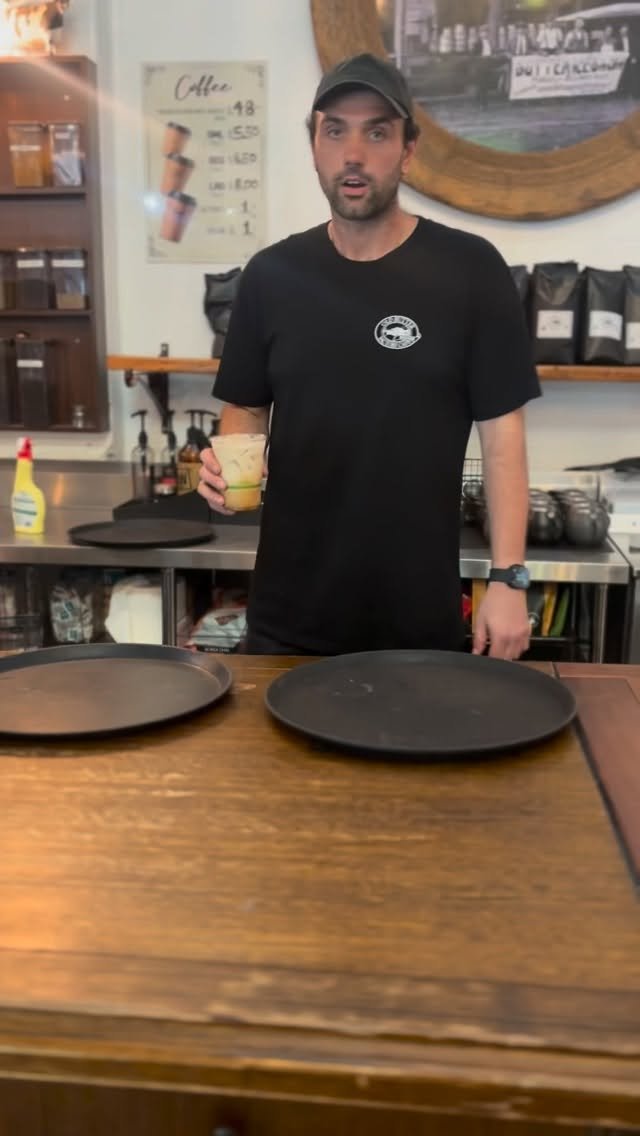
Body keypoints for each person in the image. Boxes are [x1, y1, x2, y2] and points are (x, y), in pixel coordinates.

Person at [198, 53, 540, 660]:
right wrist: (227, 474)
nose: (353, 154)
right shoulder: (271, 276)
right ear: (314, 147)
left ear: (408, 150)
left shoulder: (471, 271)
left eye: (377, 132)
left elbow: (502, 437)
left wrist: (509, 578)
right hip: (287, 621)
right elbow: (246, 407)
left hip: (415, 620)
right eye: (335, 131)